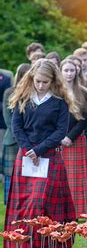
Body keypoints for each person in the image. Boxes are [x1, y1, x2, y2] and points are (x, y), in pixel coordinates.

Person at [5, 59, 79, 248]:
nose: (40, 85)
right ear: (31, 78)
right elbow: (17, 127)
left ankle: (53, 247)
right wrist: (29, 150)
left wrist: (38, 150)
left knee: (48, 204)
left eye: (45, 82)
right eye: (37, 81)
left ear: (53, 81)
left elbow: (60, 131)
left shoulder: (59, 102)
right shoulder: (23, 98)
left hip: (49, 155)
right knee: (28, 205)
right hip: (26, 156)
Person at [60, 59, 87, 215]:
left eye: (72, 70)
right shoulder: (55, 92)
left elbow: (84, 119)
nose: (69, 73)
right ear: (60, 71)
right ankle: (61, 209)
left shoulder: (83, 92)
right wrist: (60, 136)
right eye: (66, 70)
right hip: (57, 140)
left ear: (77, 72)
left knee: (77, 177)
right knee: (61, 175)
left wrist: (70, 137)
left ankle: (78, 211)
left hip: (76, 139)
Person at [2, 63, 30, 204]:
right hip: (13, 140)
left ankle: (24, 204)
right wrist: (20, 137)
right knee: (10, 174)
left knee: (26, 175)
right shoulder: (9, 92)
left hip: (29, 141)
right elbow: (8, 119)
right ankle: (9, 202)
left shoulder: (33, 94)